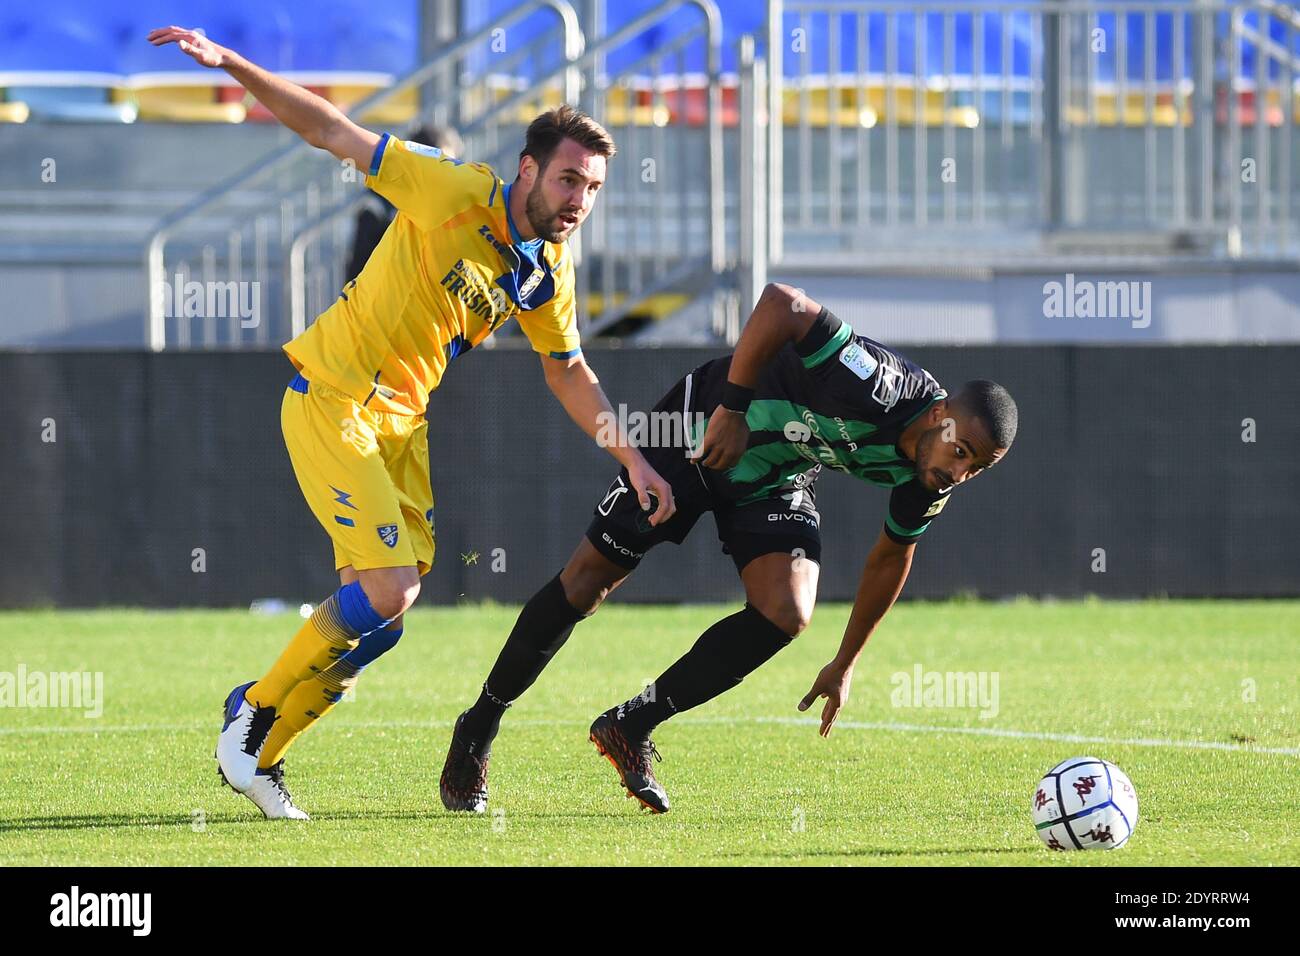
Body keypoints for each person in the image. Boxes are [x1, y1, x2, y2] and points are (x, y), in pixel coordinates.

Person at [148, 25, 675, 819]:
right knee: (389, 591)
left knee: (382, 623)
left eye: (594, 189)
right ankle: (253, 710)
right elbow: (333, 130)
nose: (579, 202)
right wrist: (234, 65)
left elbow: (567, 370)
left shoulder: (547, 272)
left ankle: (261, 757)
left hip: (401, 424)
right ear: (528, 169)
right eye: (569, 181)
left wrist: (632, 458)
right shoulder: (452, 190)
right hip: (335, 395)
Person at [439, 283, 1017, 813]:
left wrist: (846, 662)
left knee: (786, 611)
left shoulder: (930, 479)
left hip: (774, 475)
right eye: (960, 450)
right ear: (940, 415)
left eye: (978, 467)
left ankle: (631, 725)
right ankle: (479, 724)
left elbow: (892, 555)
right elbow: (781, 304)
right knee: (587, 583)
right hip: (702, 426)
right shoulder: (878, 383)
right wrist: (735, 409)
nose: (960, 471)